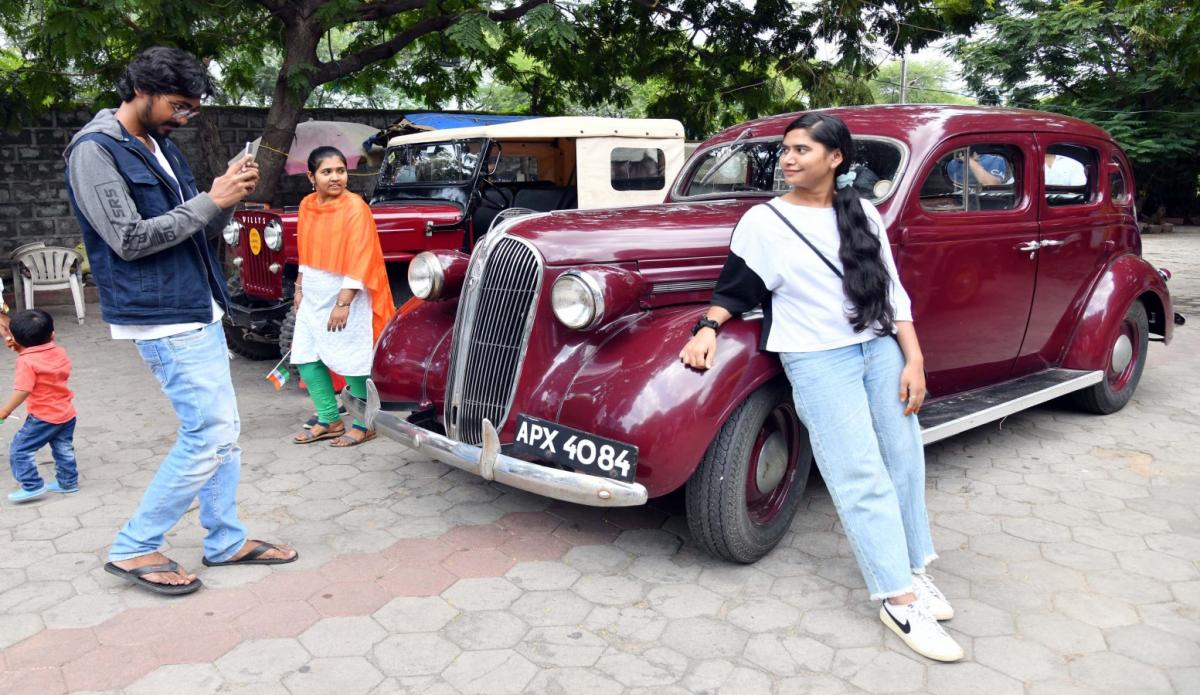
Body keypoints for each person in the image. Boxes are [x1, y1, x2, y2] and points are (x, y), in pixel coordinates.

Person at [679, 113, 963, 662]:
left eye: (802, 150)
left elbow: (892, 291)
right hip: (815, 357)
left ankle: (913, 567)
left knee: (903, 457)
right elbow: (736, 286)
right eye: (785, 150)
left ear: (835, 158)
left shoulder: (863, 214)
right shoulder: (764, 221)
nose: (787, 159)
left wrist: (915, 360)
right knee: (857, 470)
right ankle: (897, 597)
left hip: (880, 349)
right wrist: (708, 328)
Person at [64, 46, 297, 596]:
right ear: (140, 91)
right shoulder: (94, 152)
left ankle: (224, 539)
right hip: (162, 314)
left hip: (198, 303)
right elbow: (128, 240)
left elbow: (190, 227)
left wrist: (225, 201)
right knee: (208, 434)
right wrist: (209, 199)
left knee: (225, 435)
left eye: (193, 107)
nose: (186, 116)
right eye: (179, 105)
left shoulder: (160, 145)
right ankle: (134, 545)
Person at [290, 146, 393, 447]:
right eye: (327, 172)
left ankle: (365, 422)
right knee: (306, 357)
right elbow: (305, 253)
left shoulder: (355, 207)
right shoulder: (307, 205)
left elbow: (361, 258)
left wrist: (343, 303)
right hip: (312, 294)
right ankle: (329, 419)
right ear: (311, 176)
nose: (335, 177)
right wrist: (299, 288)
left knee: (353, 362)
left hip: (348, 295)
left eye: (340, 171)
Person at [2, 310, 78, 503]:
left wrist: (5, 410)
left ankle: (32, 485)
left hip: (44, 416)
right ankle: (68, 482)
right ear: (52, 334)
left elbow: (23, 390)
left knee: (20, 449)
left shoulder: (25, 361)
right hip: (66, 412)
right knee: (63, 448)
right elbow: (46, 367)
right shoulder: (59, 351)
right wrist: (22, 349)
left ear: (16, 339)